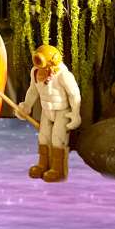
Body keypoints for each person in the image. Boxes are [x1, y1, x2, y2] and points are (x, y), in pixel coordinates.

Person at [18, 44, 81, 182]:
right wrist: (27, 106)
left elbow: (74, 94)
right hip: (46, 110)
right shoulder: (35, 72)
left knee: (57, 138)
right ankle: (42, 165)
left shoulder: (63, 75)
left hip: (62, 110)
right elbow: (33, 91)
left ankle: (57, 169)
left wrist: (75, 113)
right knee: (43, 137)